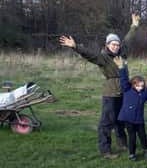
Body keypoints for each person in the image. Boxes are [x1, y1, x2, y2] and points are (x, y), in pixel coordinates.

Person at [58, 14, 140, 158]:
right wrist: (75, 47)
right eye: (112, 44)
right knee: (106, 123)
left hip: (124, 91)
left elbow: (128, 39)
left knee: (122, 119)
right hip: (110, 94)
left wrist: (134, 25)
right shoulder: (102, 57)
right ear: (107, 45)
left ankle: (122, 143)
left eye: (117, 44)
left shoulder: (122, 53)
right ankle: (105, 149)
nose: (115, 46)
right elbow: (89, 54)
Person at [116, 59, 147, 162]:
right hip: (128, 119)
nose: (140, 88)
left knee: (143, 135)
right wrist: (122, 68)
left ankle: (146, 150)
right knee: (132, 137)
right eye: (137, 86)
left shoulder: (144, 93)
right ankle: (132, 153)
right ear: (133, 84)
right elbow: (124, 79)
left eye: (142, 86)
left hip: (139, 119)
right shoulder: (127, 89)